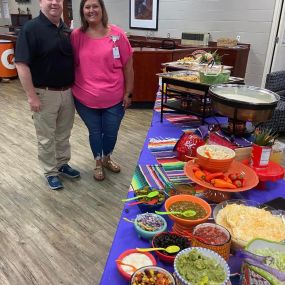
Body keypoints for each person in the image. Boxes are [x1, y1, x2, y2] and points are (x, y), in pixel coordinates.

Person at [15, 0, 80, 190]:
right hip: (44, 94)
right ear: (41, 2)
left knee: (63, 134)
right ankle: (50, 171)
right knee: (46, 137)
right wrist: (31, 96)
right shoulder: (31, 29)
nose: (54, 2)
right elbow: (21, 64)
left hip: (67, 92)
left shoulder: (66, 30)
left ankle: (62, 164)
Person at [71, 0, 134, 181]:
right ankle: (98, 162)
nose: (91, 10)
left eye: (95, 6)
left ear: (102, 9)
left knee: (111, 132)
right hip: (85, 98)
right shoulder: (76, 36)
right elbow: (70, 63)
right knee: (95, 132)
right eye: (87, 7)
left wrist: (128, 93)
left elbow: (128, 67)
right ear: (83, 11)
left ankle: (107, 157)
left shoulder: (117, 34)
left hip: (114, 98)